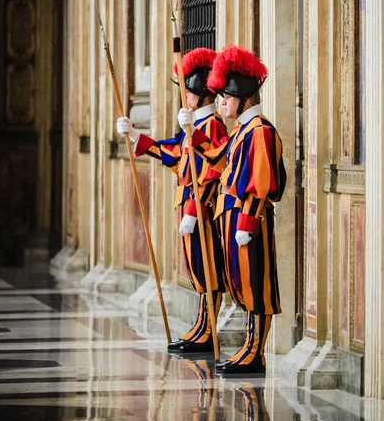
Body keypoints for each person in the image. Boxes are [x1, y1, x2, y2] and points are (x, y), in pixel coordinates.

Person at [177, 45, 286, 374]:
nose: (220, 101)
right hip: (235, 219)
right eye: (220, 95)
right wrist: (193, 135)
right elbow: (220, 158)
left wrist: (248, 220)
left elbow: (261, 182)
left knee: (257, 287)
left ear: (245, 98)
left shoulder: (261, 131)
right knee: (242, 285)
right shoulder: (242, 132)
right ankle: (248, 348)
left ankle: (256, 351)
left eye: (226, 95)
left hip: (248, 221)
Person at [117, 48, 227, 354]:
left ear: (203, 96)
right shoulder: (193, 126)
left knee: (207, 270)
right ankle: (201, 324)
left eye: (189, 93)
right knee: (196, 269)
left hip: (203, 209)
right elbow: (175, 153)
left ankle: (208, 329)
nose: (185, 98)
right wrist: (137, 136)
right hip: (189, 206)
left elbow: (210, 172)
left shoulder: (213, 126)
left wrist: (193, 210)